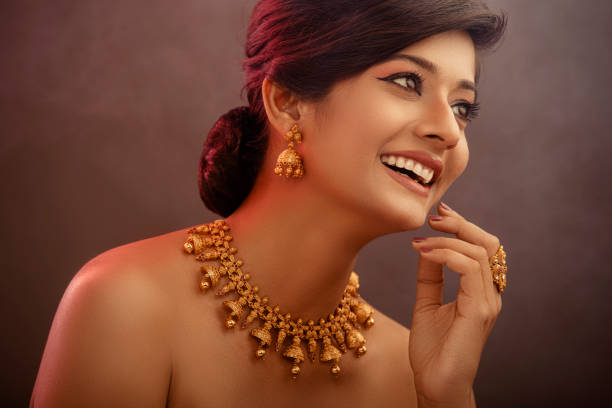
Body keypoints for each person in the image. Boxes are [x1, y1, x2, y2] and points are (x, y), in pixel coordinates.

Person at [30, 0, 507, 407]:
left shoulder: (413, 370)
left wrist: (447, 399)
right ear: (287, 102)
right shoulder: (125, 303)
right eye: (407, 82)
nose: (448, 131)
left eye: (462, 107)